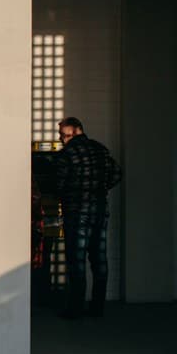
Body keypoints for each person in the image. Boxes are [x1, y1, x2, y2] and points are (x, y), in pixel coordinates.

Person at [56, 117, 121, 319]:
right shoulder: (100, 150)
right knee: (99, 259)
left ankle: (75, 309)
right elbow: (117, 173)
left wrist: (69, 194)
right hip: (100, 211)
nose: (61, 139)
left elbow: (58, 183)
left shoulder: (66, 154)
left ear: (76, 132)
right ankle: (97, 307)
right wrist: (100, 189)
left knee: (77, 261)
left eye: (63, 135)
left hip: (76, 213)